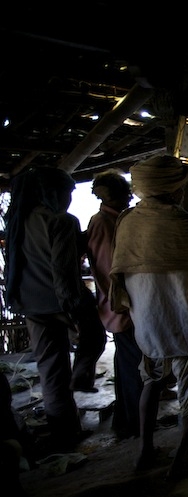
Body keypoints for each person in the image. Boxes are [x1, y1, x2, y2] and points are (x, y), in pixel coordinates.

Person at [110, 154, 188, 480]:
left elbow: (119, 274)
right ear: (175, 188)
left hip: (148, 323)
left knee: (152, 382)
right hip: (185, 322)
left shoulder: (127, 222)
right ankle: (180, 462)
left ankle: (145, 451)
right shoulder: (184, 221)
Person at [2, 166, 106, 452]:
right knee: (95, 335)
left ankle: (64, 432)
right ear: (54, 193)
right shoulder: (60, 220)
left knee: (50, 367)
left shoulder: (19, 220)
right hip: (58, 298)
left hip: (30, 302)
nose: (70, 199)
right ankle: (82, 374)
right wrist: (74, 305)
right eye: (68, 193)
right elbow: (62, 269)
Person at [85, 169, 142, 439]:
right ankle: (133, 422)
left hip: (129, 304)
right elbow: (109, 269)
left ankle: (128, 419)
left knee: (130, 362)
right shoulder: (102, 222)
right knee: (131, 364)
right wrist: (126, 302)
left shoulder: (121, 218)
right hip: (123, 305)